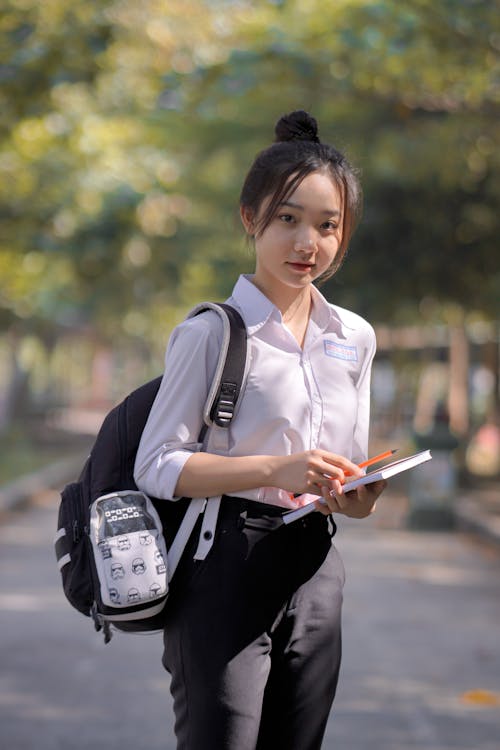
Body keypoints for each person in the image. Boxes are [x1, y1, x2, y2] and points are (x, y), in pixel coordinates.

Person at [134, 109, 386, 750]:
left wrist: (357, 493)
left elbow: (343, 471)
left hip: (317, 567)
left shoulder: (354, 337)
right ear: (251, 219)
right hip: (223, 566)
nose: (309, 243)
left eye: (328, 227)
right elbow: (157, 465)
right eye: (288, 220)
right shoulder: (211, 333)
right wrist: (277, 468)